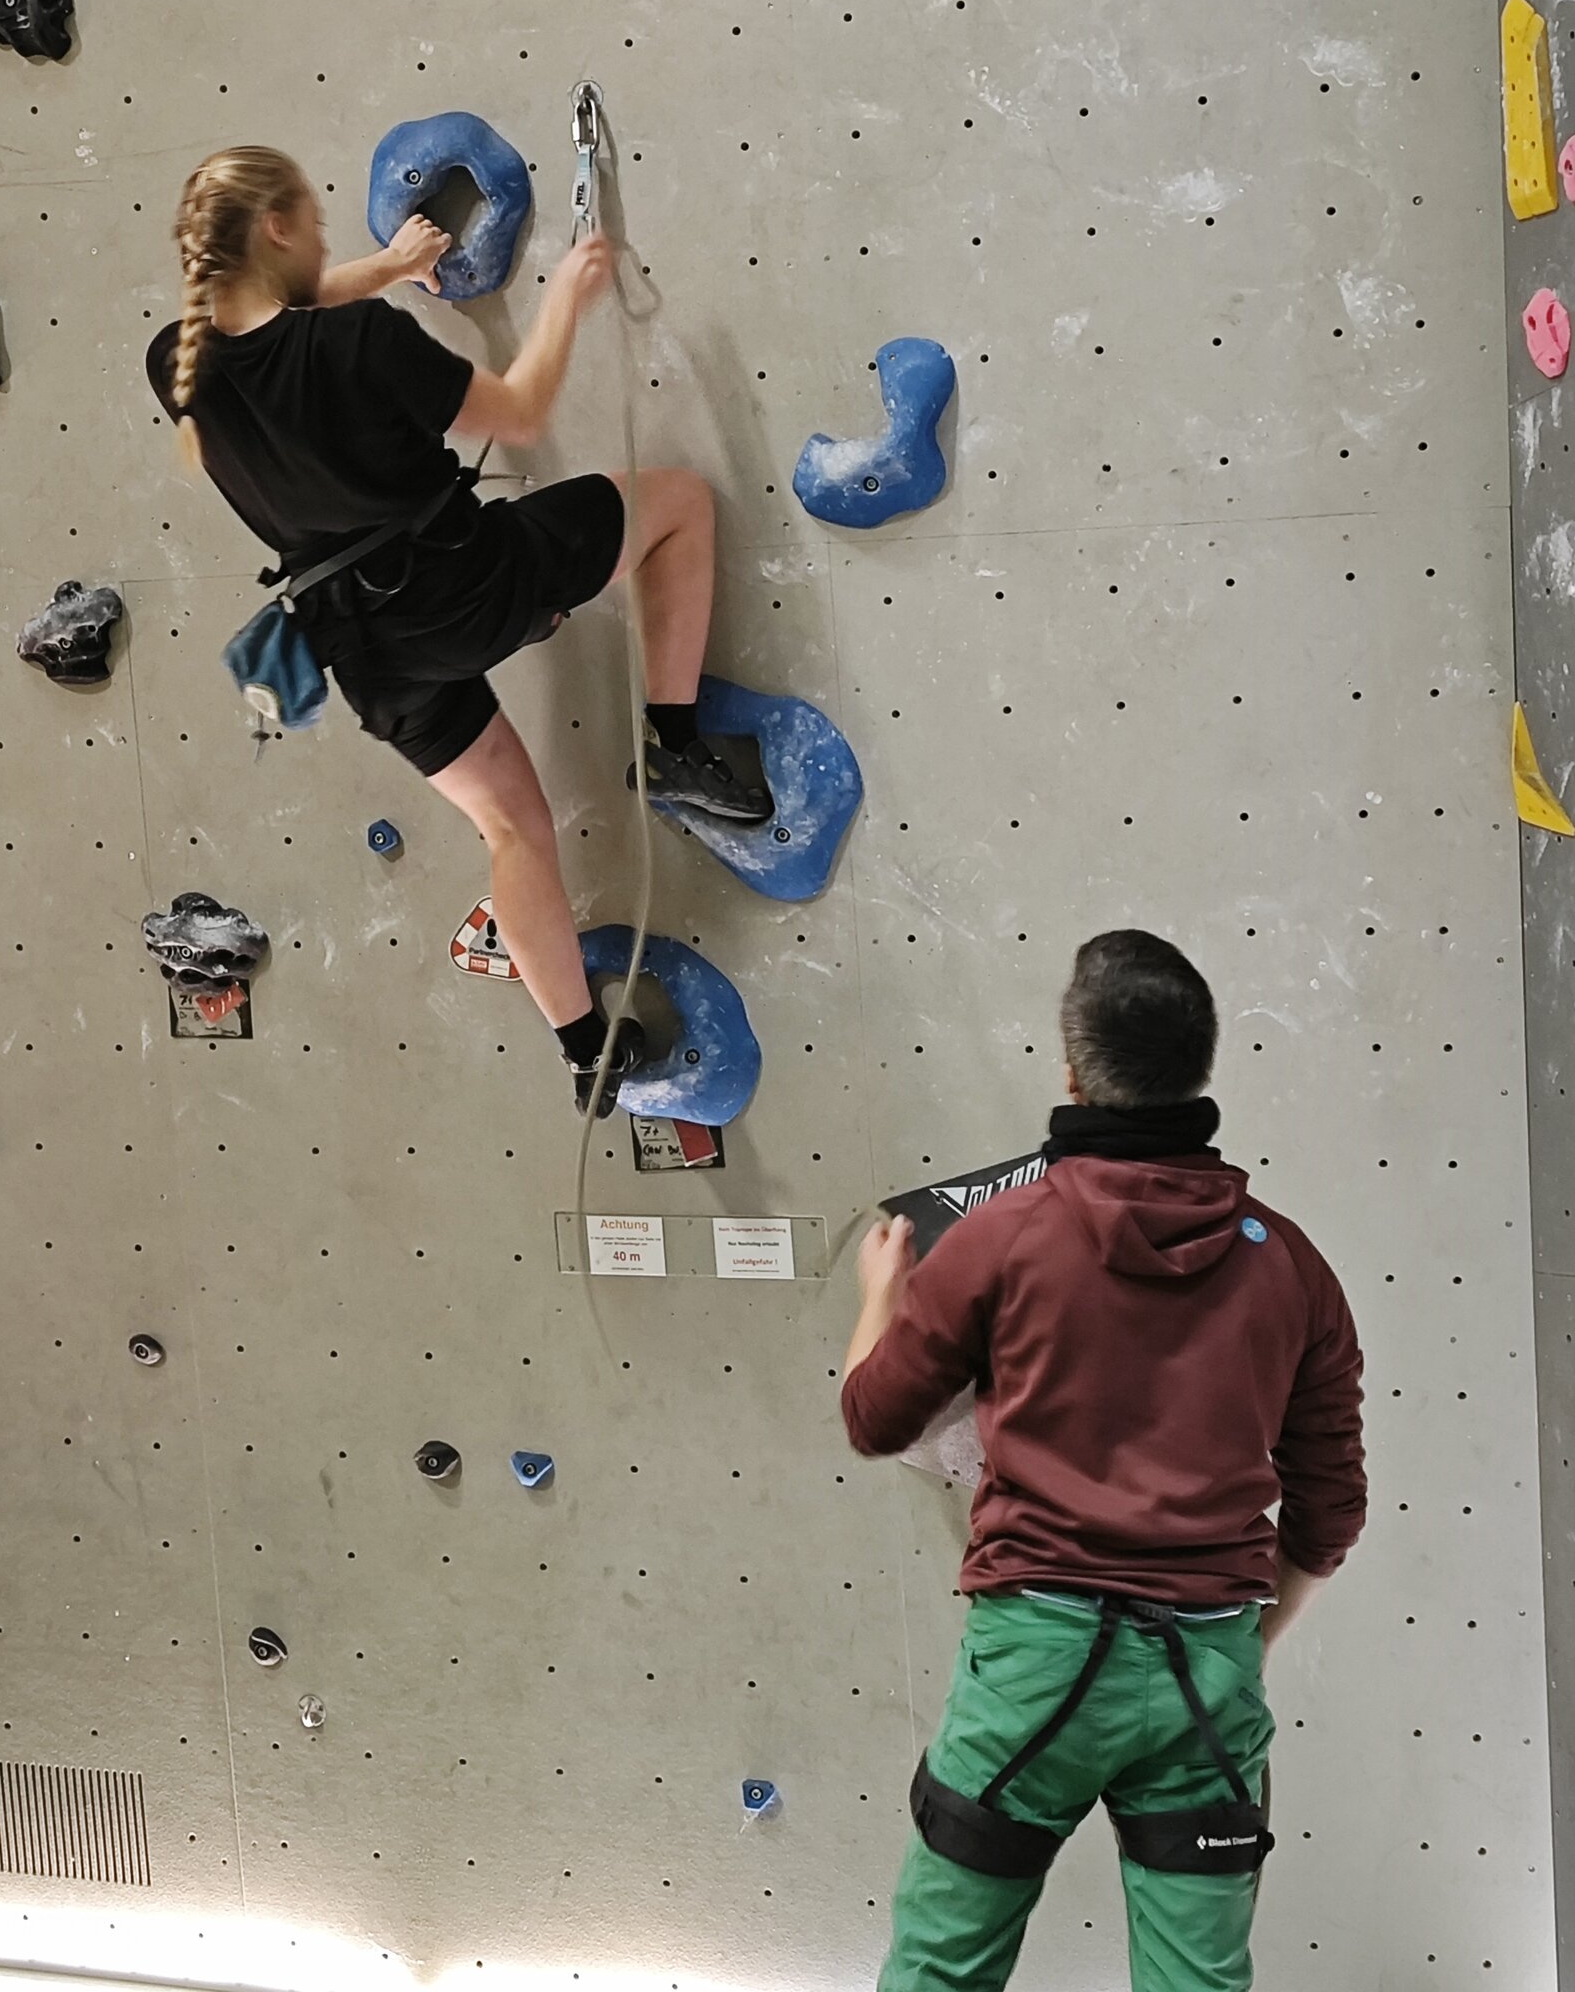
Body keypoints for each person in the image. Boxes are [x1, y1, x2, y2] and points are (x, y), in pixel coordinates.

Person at [146, 144, 772, 1114]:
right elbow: (519, 412)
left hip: (360, 649)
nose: (320, 232)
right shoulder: (364, 343)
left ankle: (582, 1048)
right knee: (680, 505)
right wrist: (566, 291)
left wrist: (394, 265)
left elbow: (275, 326)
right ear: (274, 230)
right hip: (470, 587)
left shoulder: (177, 361)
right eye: (307, 217)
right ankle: (676, 744)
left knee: (512, 827)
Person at [840, 929, 1366, 1992]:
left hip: (1032, 1671)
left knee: (940, 1974)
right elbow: (1329, 1515)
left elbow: (874, 1416)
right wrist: (1248, 1642)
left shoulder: (1001, 1241)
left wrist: (880, 1297)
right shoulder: (1295, 1269)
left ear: (1074, 1072)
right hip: (1205, 1679)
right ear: (1201, 1070)